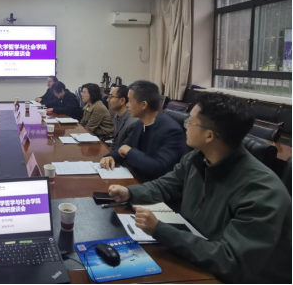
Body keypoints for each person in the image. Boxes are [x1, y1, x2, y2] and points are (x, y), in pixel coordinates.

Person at [108, 93, 292, 284]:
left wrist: (160, 230)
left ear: (209, 135)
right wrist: (130, 192)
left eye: (190, 122)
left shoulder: (261, 191)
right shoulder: (197, 158)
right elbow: (167, 185)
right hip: (199, 254)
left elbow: (231, 261)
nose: (185, 126)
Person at [100, 80, 187, 181]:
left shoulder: (171, 130)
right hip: (134, 177)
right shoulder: (139, 124)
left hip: (153, 185)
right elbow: (124, 146)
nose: (127, 105)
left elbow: (160, 167)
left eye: (130, 101)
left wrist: (130, 152)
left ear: (143, 105)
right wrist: (111, 157)